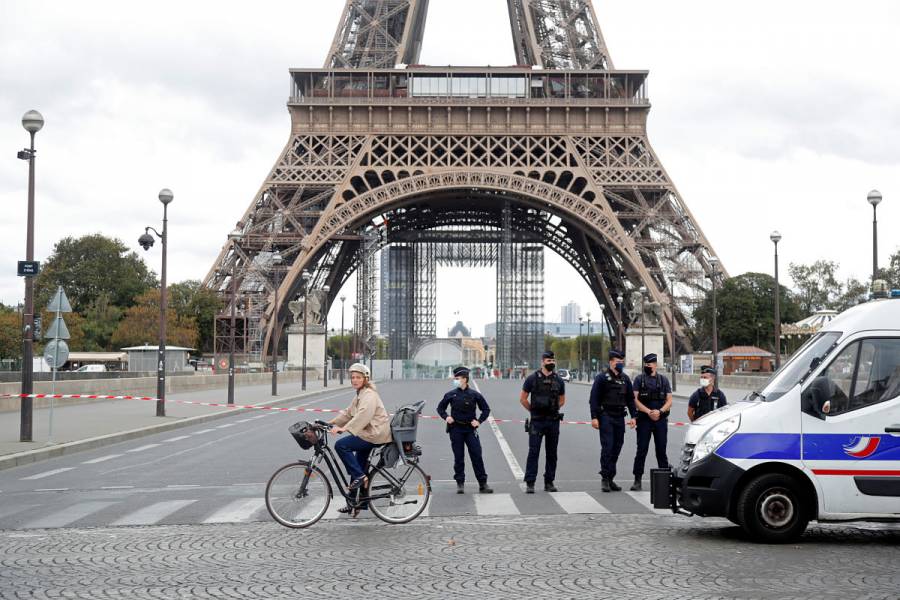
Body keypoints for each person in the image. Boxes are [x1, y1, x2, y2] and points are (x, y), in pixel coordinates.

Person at [329, 362, 392, 514]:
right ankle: (357, 504)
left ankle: (360, 478)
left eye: (358, 377)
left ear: (366, 379)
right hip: (368, 433)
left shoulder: (369, 395)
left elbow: (363, 415)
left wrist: (344, 429)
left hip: (375, 433)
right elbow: (348, 413)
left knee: (341, 446)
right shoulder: (360, 394)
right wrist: (328, 423)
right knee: (357, 466)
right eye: (353, 377)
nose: (355, 380)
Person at [437, 366, 493, 494]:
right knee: (459, 457)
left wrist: (479, 421)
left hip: (470, 429)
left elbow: (486, 409)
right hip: (456, 429)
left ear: (465, 379)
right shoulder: (451, 394)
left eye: (457, 378)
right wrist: (447, 417)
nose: (455, 380)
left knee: (477, 455)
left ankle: (483, 484)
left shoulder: (474, 395)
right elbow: (440, 409)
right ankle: (460, 483)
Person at [589, 350, 637, 492]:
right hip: (606, 416)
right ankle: (605, 478)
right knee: (607, 447)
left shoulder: (625, 379)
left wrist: (634, 416)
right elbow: (594, 400)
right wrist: (594, 417)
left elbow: (630, 399)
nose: (620, 364)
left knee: (617, 447)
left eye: (622, 362)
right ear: (611, 362)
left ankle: (611, 478)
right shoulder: (602, 378)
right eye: (618, 361)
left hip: (619, 417)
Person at [520, 350, 566, 493]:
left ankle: (549, 482)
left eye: (553, 361)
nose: (551, 363)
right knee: (534, 452)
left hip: (552, 421)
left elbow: (562, 399)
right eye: (548, 361)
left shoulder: (558, 380)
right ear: (542, 362)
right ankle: (530, 483)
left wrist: (553, 409)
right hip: (537, 421)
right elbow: (523, 398)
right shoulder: (532, 379)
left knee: (552, 453)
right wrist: (533, 411)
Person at [630, 353, 672, 491]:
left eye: (650, 364)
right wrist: (648, 412)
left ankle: (665, 481)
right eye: (646, 365)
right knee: (641, 450)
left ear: (655, 364)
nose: (647, 367)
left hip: (660, 419)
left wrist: (659, 412)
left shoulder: (664, 380)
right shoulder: (639, 379)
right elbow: (634, 400)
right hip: (644, 420)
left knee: (661, 451)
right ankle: (637, 480)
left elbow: (669, 400)